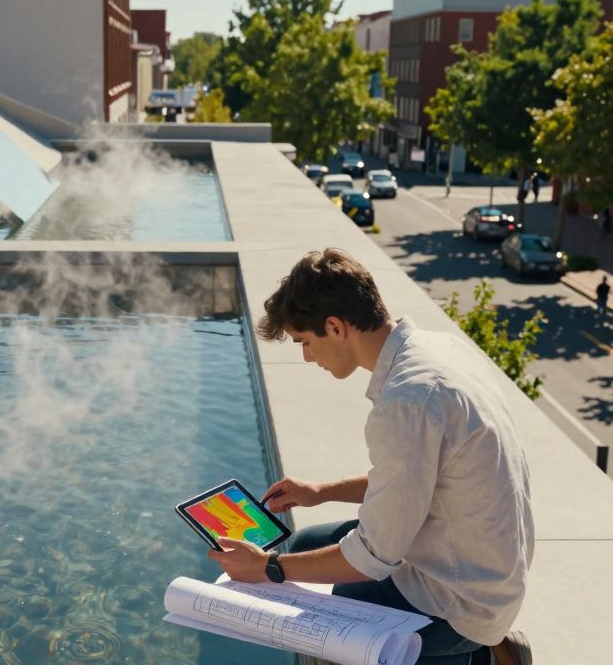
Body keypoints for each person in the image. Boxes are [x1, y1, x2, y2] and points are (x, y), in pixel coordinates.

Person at [207, 249, 534, 665]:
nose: (307, 357)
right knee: (308, 542)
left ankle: (476, 653)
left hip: (458, 600)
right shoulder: (435, 350)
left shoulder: (408, 401)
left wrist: (268, 567)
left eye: (306, 342)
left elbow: (372, 557)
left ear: (335, 327)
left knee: (321, 629)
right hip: (479, 562)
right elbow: (416, 479)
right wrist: (321, 491)